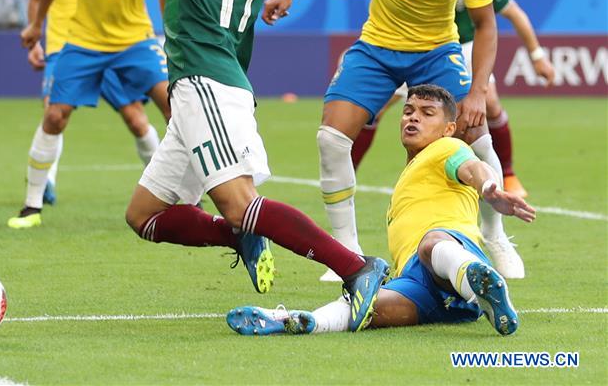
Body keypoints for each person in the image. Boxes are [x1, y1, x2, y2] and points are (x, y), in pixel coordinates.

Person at [7, 0, 437, 330]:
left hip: (205, 83)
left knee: (240, 203)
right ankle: (239, 237)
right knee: (144, 215)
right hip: (207, 87)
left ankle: (356, 268)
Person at [263, 0, 526, 281]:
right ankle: (346, 253)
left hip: (436, 51)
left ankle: (495, 235)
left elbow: (485, 25)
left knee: (477, 139)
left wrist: (478, 92)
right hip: (377, 47)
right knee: (331, 139)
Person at [226, 85, 535, 337]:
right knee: (364, 305)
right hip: (418, 283)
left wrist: (488, 188)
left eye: (427, 113)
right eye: (408, 111)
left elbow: (472, 167)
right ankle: (298, 321)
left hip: (450, 254)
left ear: (449, 129)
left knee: (430, 243)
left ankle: (480, 283)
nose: (413, 118)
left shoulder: (448, 148)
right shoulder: (412, 172)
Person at [11, 0, 172, 229]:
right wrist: (36, 24)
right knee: (55, 116)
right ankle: (32, 205)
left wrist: (171, 36)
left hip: (136, 41)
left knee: (172, 108)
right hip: (82, 41)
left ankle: (184, 192)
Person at [351, 0, 557, 198]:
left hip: (466, 47)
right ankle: (349, 174)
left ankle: (508, 176)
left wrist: (537, 56)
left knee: (489, 104)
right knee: (376, 109)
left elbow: (515, 13)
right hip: (422, 46)